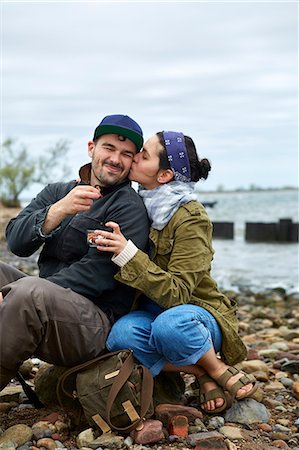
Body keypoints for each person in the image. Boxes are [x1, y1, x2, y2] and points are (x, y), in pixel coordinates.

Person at [93, 130, 257, 413]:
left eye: (143, 155)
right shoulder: (139, 204)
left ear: (165, 175)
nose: (133, 158)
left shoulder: (190, 217)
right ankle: (200, 372)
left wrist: (128, 255)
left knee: (170, 326)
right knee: (120, 337)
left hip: (195, 314)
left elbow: (179, 294)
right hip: (151, 312)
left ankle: (215, 366)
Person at [0, 114, 149, 391]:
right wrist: (58, 210)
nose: (116, 159)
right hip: (44, 307)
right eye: (109, 148)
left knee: (27, 292)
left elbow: (96, 275)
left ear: (132, 161)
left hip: (94, 326)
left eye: (126, 154)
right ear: (91, 148)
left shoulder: (129, 207)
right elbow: (16, 243)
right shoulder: (58, 192)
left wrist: (12, 293)